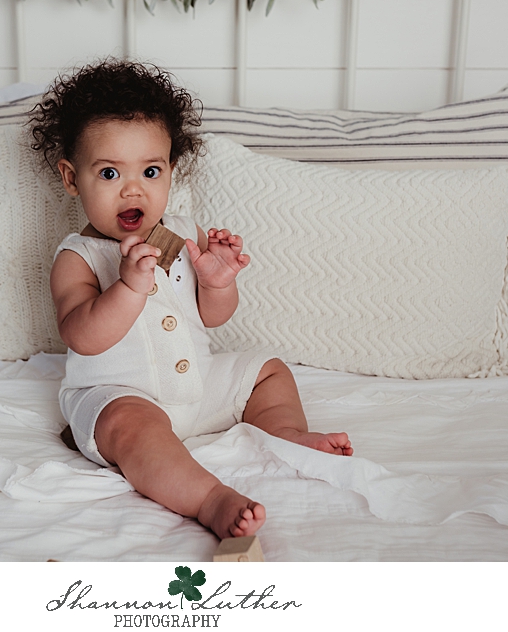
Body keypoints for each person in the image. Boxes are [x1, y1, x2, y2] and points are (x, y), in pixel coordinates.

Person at [30, 60, 352, 540]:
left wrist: (218, 282)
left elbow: (211, 317)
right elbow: (83, 336)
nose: (133, 189)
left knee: (268, 370)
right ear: (72, 178)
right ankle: (208, 498)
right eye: (110, 173)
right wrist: (128, 287)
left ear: (171, 171)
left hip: (196, 389)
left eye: (151, 171)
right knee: (130, 425)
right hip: (122, 397)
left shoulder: (184, 234)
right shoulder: (78, 257)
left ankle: (284, 435)